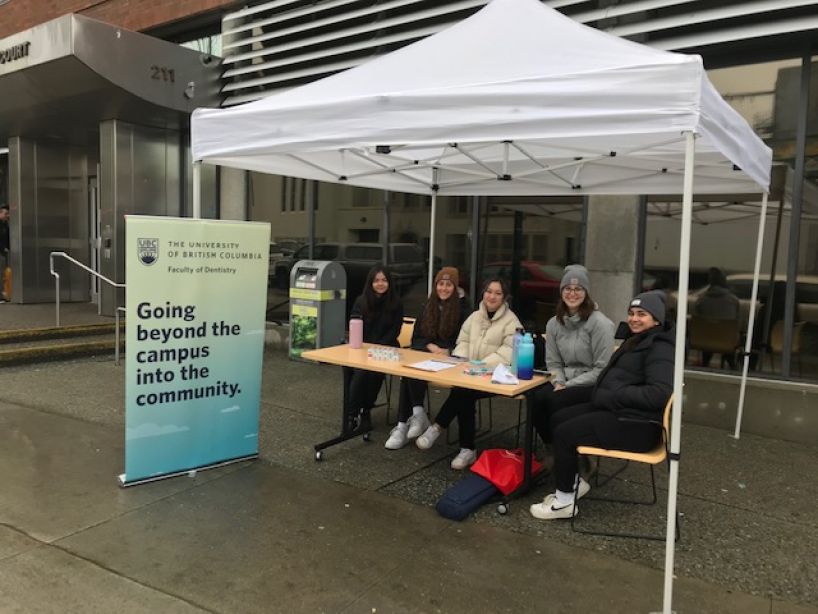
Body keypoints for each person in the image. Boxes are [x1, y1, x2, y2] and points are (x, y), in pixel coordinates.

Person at [530, 290, 674, 520]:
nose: (635, 318)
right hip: (620, 410)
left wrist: (613, 394)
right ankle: (574, 480)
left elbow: (659, 394)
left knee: (565, 433)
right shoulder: (638, 340)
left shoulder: (660, 348)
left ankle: (564, 502)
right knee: (558, 417)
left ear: (656, 319)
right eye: (632, 313)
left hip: (638, 425)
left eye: (642, 314)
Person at [415, 278, 522, 470]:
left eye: (498, 293)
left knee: (463, 392)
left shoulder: (512, 321)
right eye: (489, 291)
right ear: (483, 293)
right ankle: (466, 449)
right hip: (470, 372)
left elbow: (508, 352)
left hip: (495, 376)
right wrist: (465, 361)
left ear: (504, 297)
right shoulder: (474, 316)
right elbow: (462, 341)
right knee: (465, 392)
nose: (492, 296)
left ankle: (439, 428)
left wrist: (480, 365)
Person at [531, 265, 615, 455]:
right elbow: (553, 362)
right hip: (563, 379)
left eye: (578, 289)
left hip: (591, 383)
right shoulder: (554, 323)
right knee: (534, 398)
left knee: (555, 401)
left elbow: (602, 369)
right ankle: (552, 447)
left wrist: (568, 386)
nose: (572, 293)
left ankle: (578, 455)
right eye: (568, 288)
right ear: (561, 292)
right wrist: (559, 381)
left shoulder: (600, 324)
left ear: (586, 293)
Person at [384, 267, 470, 450]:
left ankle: (406, 423)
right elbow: (417, 338)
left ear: (455, 288)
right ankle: (412, 417)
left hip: (452, 361)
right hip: (428, 355)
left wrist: (448, 351)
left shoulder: (465, 310)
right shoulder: (428, 306)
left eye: (448, 285)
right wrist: (430, 347)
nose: (444, 288)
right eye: (440, 284)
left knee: (410, 374)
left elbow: (466, 341)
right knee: (407, 369)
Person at [346, 266, 404, 432]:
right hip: (362, 348)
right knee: (359, 373)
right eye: (376, 280)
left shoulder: (396, 303)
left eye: (384, 280)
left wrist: (378, 347)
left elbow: (395, 330)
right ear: (371, 283)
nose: (380, 284)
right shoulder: (361, 301)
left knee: (374, 374)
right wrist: (365, 347)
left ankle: (365, 410)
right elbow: (355, 325)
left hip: (386, 348)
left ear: (389, 282)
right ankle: (351, 415)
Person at [693, 267, 740, 368]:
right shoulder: (733, 301)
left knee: (709, 333)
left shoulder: (701, 300)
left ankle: (705, 363)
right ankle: (733, 366)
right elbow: (737, 320)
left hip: (704, 340)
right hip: (727, 341)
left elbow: (697, 318)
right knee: (727, 337)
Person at [0, 204, 9, 302]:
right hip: (1, 252)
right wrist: (4, 247)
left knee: (2, 273)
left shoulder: (5, 225)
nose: (7, 216)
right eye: (5, 214)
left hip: (3, 252)